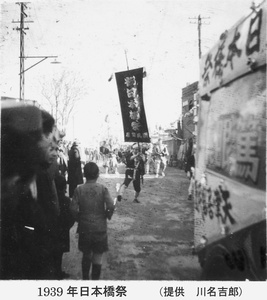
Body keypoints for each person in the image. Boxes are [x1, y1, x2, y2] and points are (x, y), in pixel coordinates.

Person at [70, 162, 115, 280]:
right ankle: (94, 282)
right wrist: (107, 215)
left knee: (86, 254)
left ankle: (85, 279)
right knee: (98, 256)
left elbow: (73, 209)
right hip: (100, 227)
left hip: (85, 227)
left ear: (84, 174)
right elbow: (110, 205)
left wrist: (79, 219)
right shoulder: (102, 189)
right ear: (98, 174)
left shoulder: (79, 189)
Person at [54, 174, 75, 279]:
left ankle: (53, 272)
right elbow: (72, 217)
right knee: (59, 254)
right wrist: (67, 227)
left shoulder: (48, 199)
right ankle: (58, 272)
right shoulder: (66, 201)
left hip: (50, 230)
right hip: (62, 231)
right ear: (64, 187)